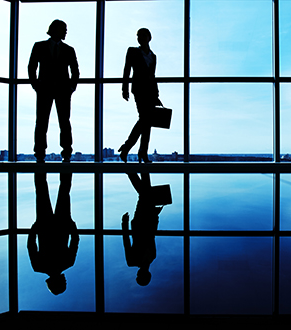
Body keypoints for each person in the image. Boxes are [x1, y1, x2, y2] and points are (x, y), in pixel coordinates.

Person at [28, 19, 79, 163]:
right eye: (64, 29)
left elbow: (75, 71)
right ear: (55, 30)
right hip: (46, 89)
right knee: (46, 122)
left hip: (60, 90)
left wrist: (71, 88)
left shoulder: (68, 49)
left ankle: (61, 152)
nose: (66, 32)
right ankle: (42, 152)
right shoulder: (40, 46)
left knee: (61, 122)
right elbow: (31, 67)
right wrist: (36, 86)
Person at [28, 172, 79, 295]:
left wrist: (72, 226)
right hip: (44, 226)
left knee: (64, 190)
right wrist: (34, 229)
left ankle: (66, 160)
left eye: (64, 282)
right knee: (41, 191)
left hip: (62, 225)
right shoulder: (38, 267)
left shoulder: (68, 263)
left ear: (60, 281)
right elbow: (31, 246)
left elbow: (75, 241)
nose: (66, 280)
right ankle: (40, 160)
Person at [119, 28, 162, 164]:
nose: (139, 38)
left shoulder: (153, 56)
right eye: (138, 36)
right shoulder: (132, 51)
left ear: (149, 37)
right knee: (145, 120)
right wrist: (124, 88)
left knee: (146, 122)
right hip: (139, 90)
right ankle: (134, 150)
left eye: (142, 36)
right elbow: (126, 69)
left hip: (150, 92)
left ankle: (136, 150)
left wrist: (156, 95)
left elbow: (152, 76)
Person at [122, 173, 165, 286]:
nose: (139, 273)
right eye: (141, 275)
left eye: (139, 275)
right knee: (145, 193)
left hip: (140, 222)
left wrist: (124, 223)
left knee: (144, 194)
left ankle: (136, 170)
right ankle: (137, 169)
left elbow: (126, 241)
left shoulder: (133, 261)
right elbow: (152, 234)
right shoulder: (152, 256)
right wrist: (155, 216)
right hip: (148, 219)